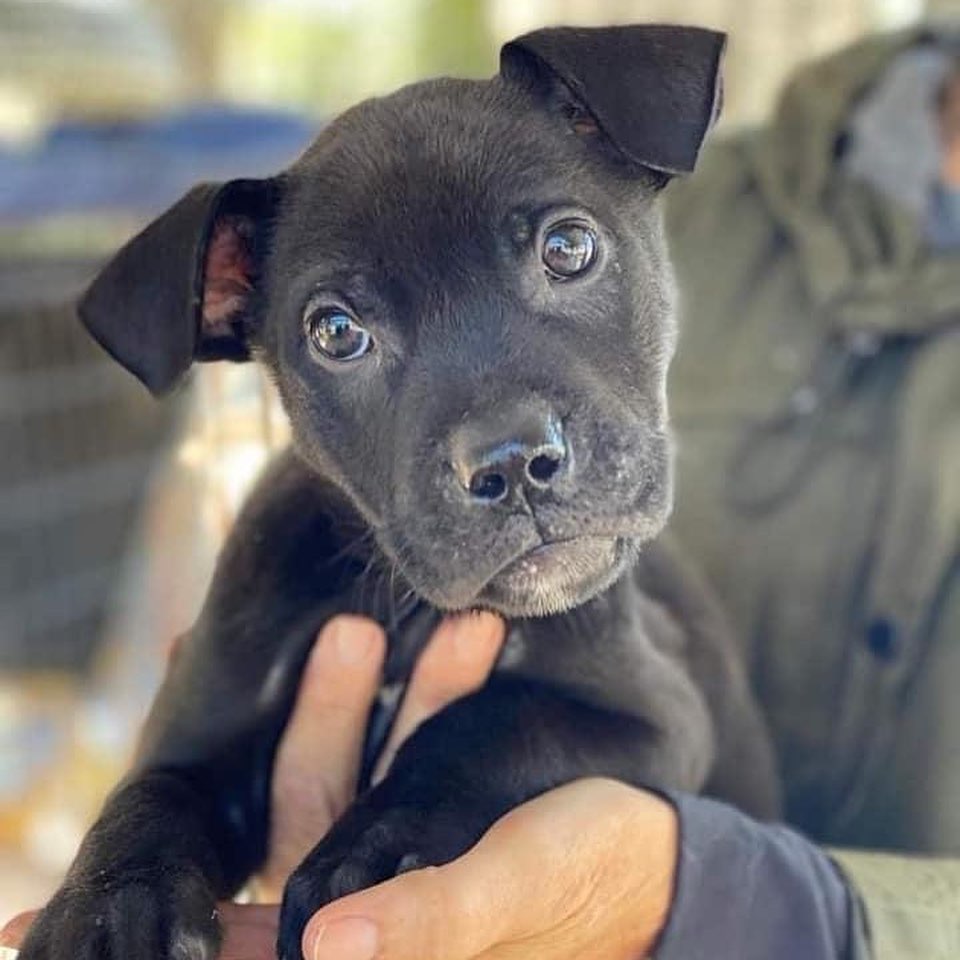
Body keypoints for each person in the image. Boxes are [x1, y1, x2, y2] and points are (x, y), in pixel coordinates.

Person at [4, 22, 959, 960]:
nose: (502, 449)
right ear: (230, 306)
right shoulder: (271, 573)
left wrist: (434, 796)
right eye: (340, 333)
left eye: (565, 252)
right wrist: (129, 875)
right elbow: (187, 778)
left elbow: (644, 723)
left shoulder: (624, 122)